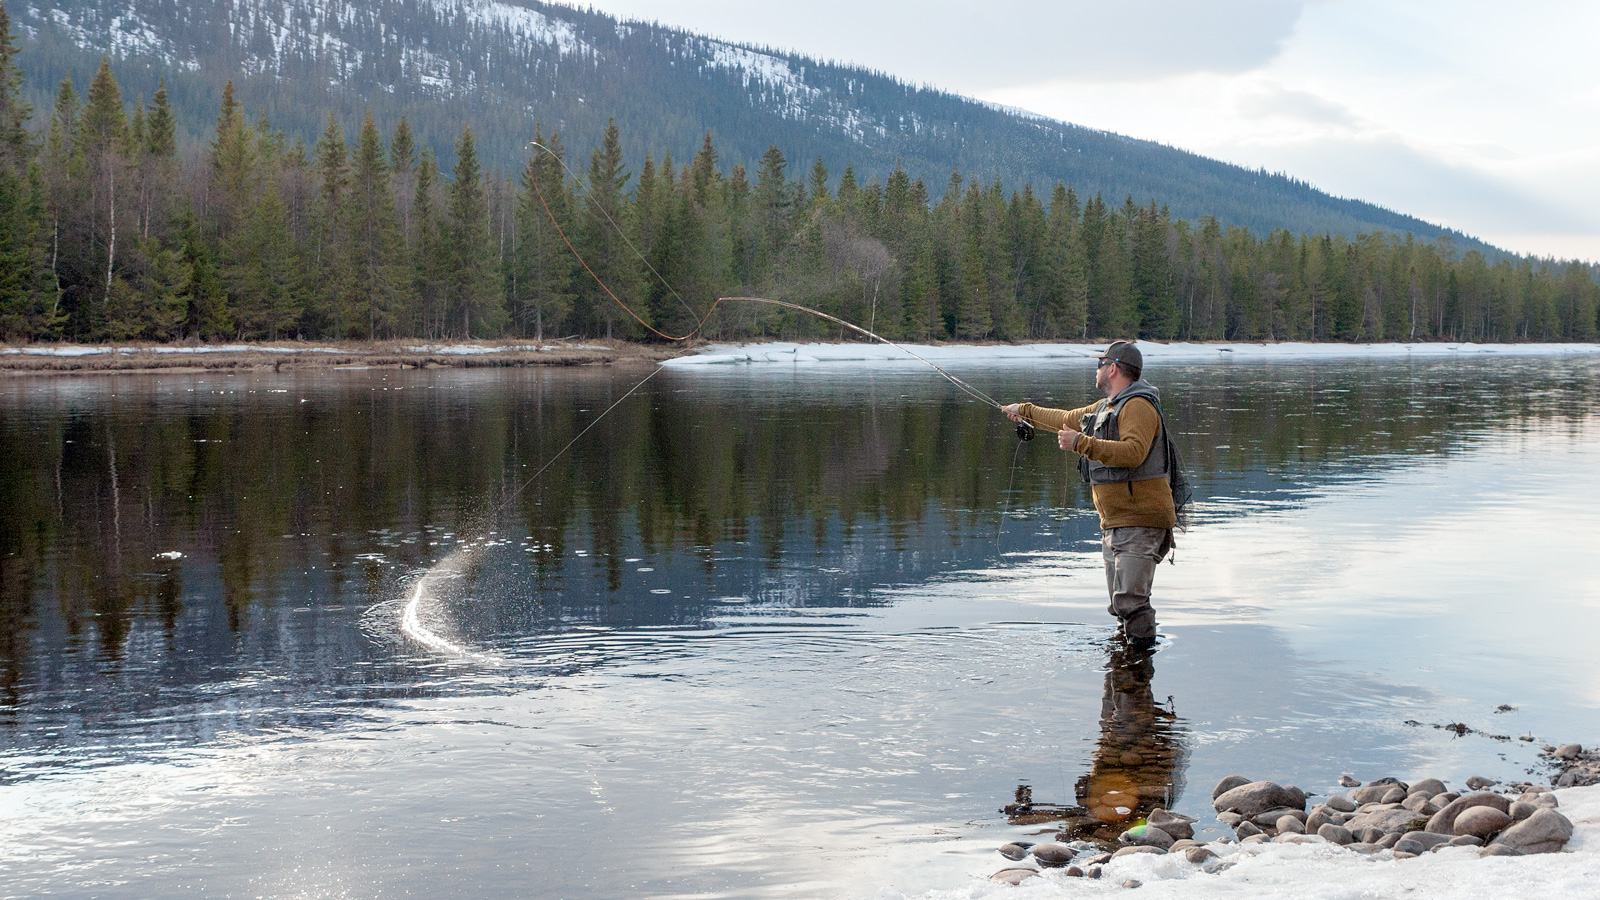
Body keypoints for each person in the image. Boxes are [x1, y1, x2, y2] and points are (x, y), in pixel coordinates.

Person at [1002, 340, 1176, 649]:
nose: (1096, 368)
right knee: (1120, 605)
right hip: (1116, 523)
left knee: (1131, 603)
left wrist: (1081, 443)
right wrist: (1023, 411)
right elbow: (1065, 419)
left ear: (1112, 368)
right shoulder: (1104, 407)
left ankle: (1139, 670)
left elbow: (1135, 452)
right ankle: (1125, 672)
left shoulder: (1138, 405)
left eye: (1099, 362)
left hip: (1141, 521)